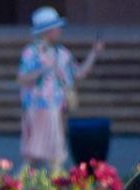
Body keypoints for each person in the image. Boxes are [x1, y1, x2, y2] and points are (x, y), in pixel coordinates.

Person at [16, 6, 103, 171]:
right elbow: (22, 78)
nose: (59, 30)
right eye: (56, 27)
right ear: (47, 30)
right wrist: (43, 69)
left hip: (55, 108)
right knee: (43, 156)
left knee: (43, 158)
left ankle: (15, 188)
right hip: (38, 108)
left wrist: (94, 53)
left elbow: (77, 72)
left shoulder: (61, 53)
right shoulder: (32, 53)